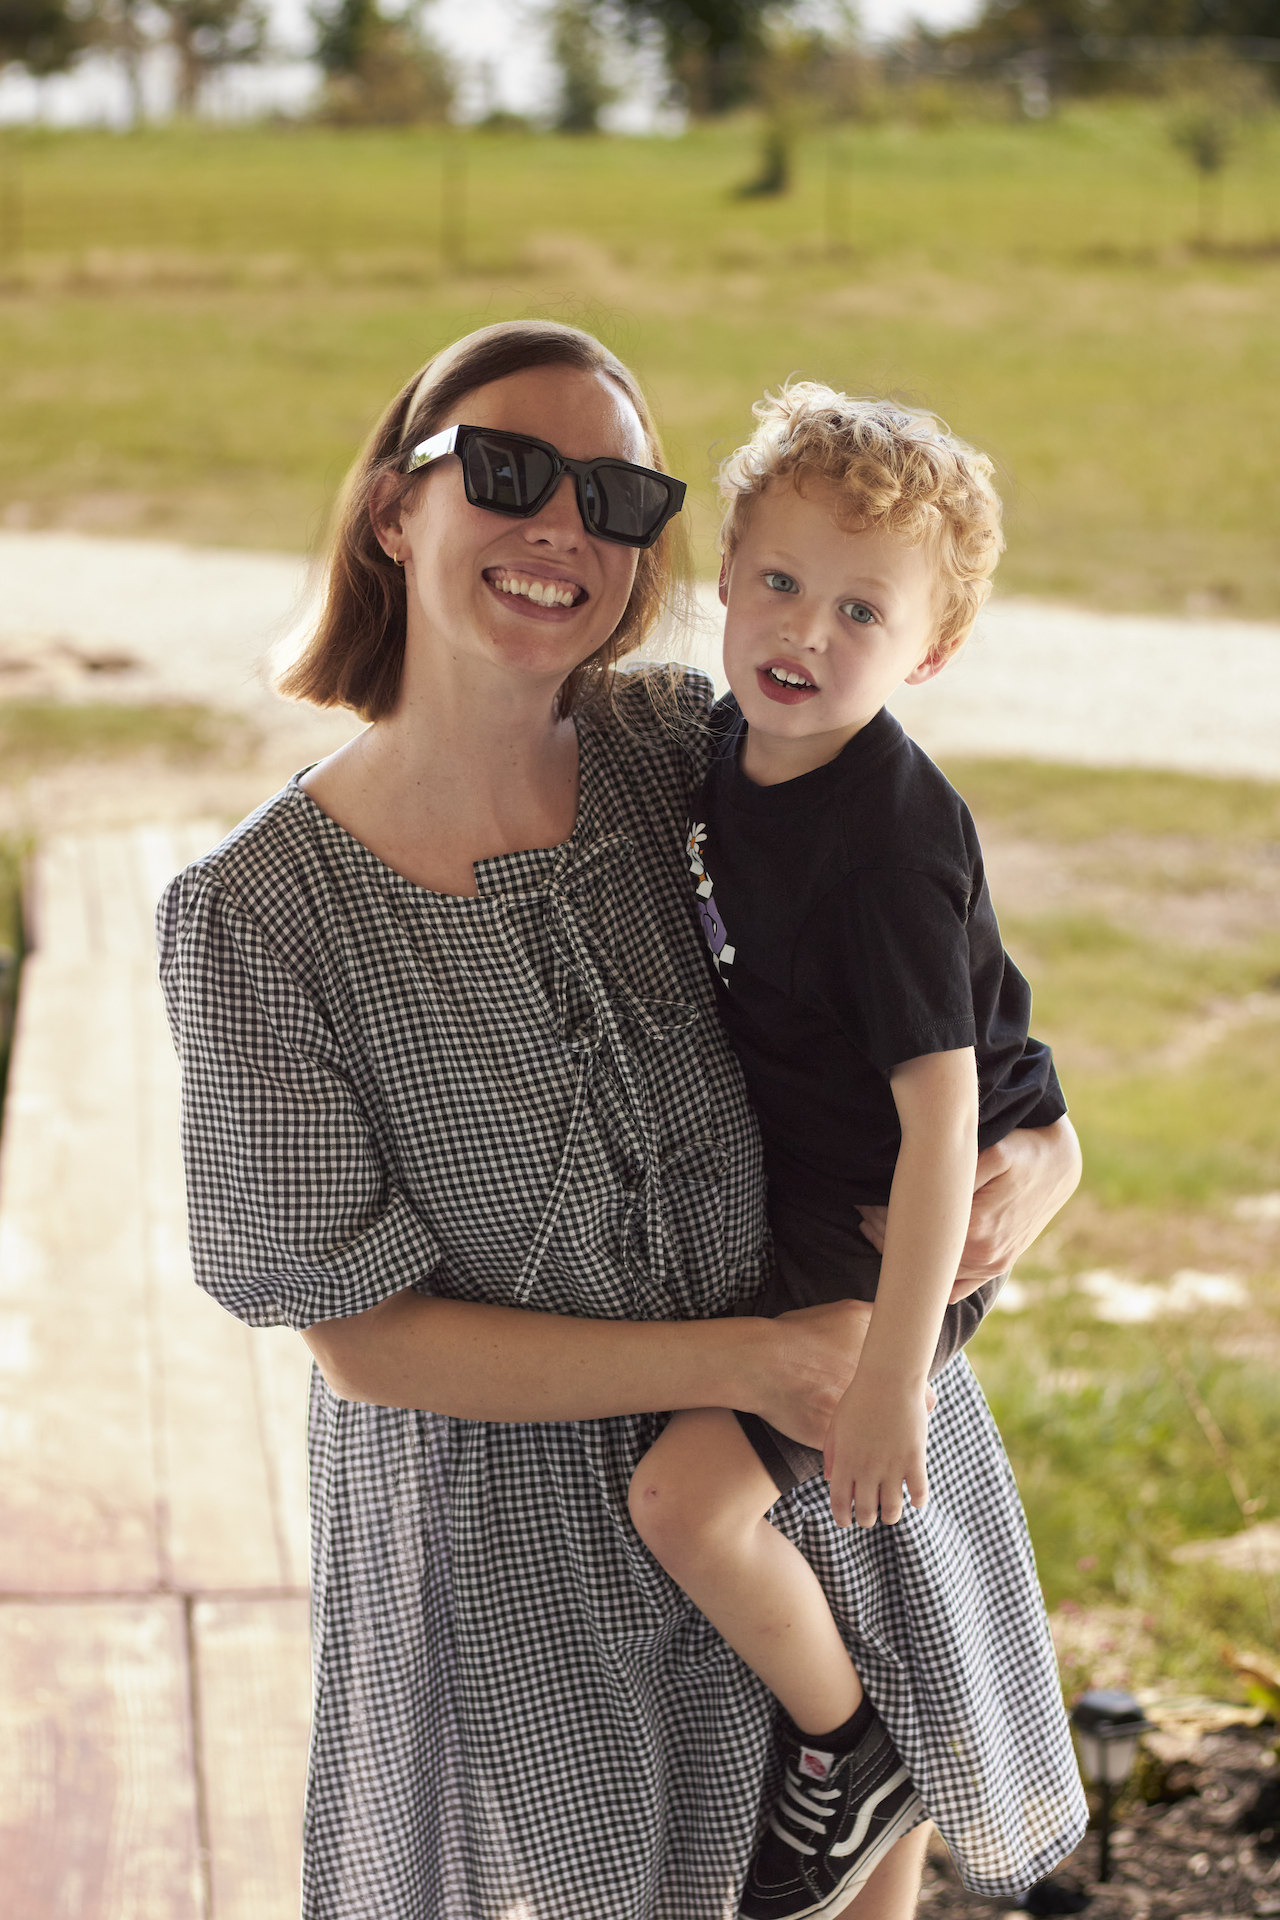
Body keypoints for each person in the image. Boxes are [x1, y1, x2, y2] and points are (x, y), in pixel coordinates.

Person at [157, 319, 1086, 1920]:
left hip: (825, 1474)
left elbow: (931, 990)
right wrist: (746, 1364)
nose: (561, 529)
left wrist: (1051, 1154)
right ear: (395, 508)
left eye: (616, 494)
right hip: (526, 1560)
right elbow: (364, 1338)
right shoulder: (255, 916)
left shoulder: (690, 748)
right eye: (507, 473)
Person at [627, 383, 1071, 1920]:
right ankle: (857, 1778)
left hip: (899, 1223)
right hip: (821, 1192)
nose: (804, 631)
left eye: (863, 610)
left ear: (930, 654)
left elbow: (949, 1116)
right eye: (778, 581)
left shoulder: (885, 835)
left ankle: (852, 1751)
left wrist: (892, 1372)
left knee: (687, 1505)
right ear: (729, 571)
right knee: (768, 1528)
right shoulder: (725, 751)